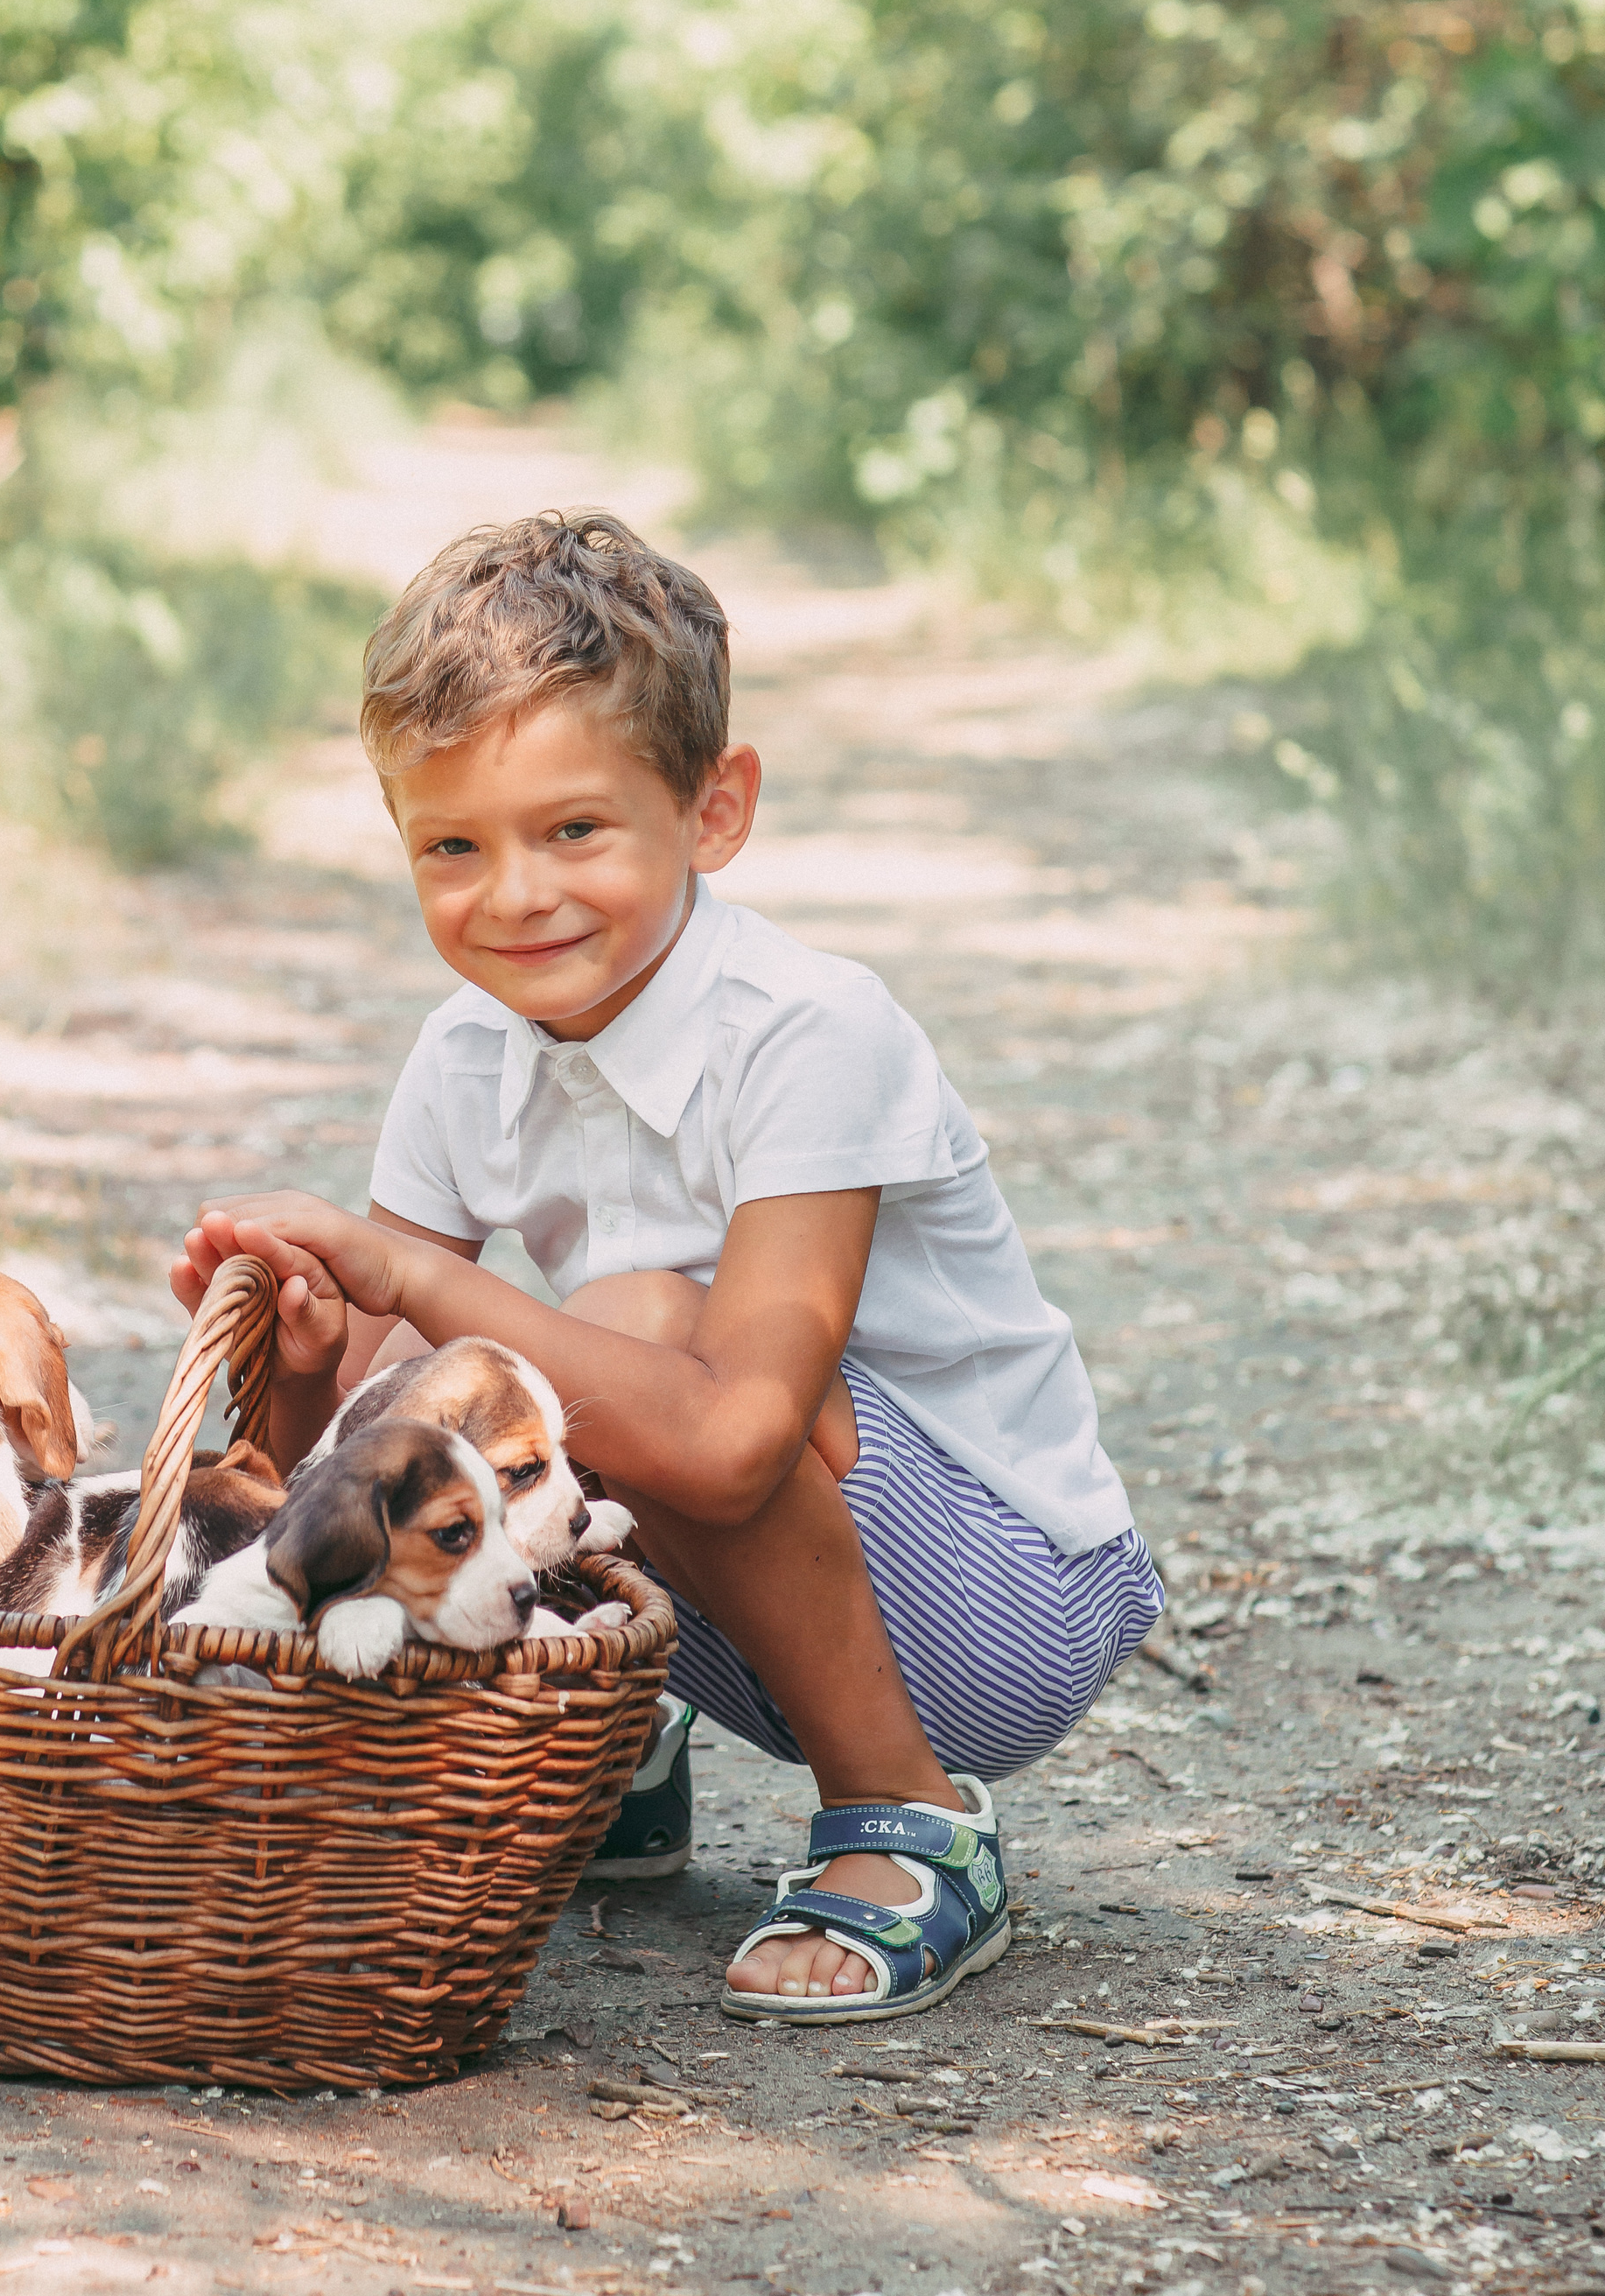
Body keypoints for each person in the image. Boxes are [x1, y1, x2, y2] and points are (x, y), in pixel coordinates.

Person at [172, 512, 1161, 2021]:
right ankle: (615, 1731)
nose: (514, 896)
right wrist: (314, 1369)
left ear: (714, 810)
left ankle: (912, 1823)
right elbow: (380, 1454)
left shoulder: (812, 1033)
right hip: (768, 1579)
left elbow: (735, 1432)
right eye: (453, 846)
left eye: (575, 831)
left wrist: (420, 1284)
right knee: (476, 1389)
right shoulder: (461, 1061)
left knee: (627, 1325)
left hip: (1002, 1604)